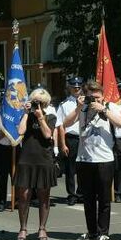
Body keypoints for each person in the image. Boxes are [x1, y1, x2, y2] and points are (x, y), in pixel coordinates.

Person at [60, 80, 121, 240]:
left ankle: (104, 232)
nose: (94, 101)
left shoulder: (110, 107)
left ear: (103, 96)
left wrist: (103, 109)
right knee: (88, 199)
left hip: (104, 159)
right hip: (84, 159)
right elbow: (65, 124)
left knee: (104, 199)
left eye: (97, 97)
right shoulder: (82, 109)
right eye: (91, 97)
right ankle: (92, 232)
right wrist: (78, 107)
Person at [14, 88, 57, 240]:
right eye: (35, 102)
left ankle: (42, 228)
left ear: (45, 104)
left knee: (43, 196)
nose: (37, 105)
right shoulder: (27, 116)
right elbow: (20, 131)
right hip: (26, 159)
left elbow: (47, 135)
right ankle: (23, 228)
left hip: (44, 159)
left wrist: (40, 118)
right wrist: (26, 113)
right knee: (24, 195)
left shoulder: (50, 117)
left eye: (40, 102)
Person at [55, 76, 85, 204]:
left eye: (79, 87)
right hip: (71, 138)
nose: (76, 89)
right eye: (74, 87)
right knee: (71, 169)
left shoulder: (87, 102)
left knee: (83, 168)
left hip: (84, 138)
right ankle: (72, 194)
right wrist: (62, 144)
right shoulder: (64, 105)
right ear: (70, 88)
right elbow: (60, 125)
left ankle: (81, 193)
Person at [0, 93, 15, 213]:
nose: (0, 104)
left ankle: (16, 200)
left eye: (2, 101)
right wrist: (6, 130)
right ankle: (1, 202)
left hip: (14, 148)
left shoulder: (14, 115)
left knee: (16, 176)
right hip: (1, 148)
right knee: (1, 177)